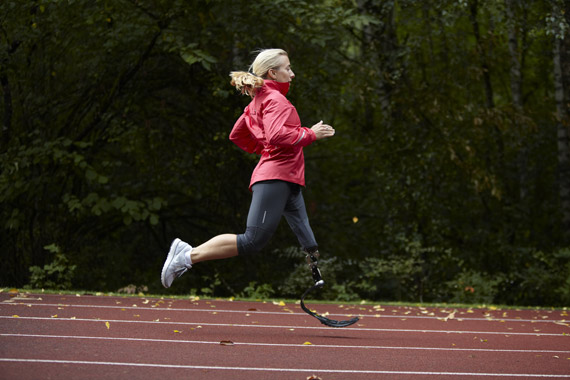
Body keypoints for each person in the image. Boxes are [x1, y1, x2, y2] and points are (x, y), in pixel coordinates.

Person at [161, 48, 335, 289]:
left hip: (286, 178)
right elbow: (275, 135)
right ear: (273, 73)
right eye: (288, 68)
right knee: (252, 240)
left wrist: (310, 249)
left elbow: (238, 134)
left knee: (299, 227)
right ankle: (186, 256)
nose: (292, 74)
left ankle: (186, 255)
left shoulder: (259, 100)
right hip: (275, 178)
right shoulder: (276, 100)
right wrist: (309, 134)